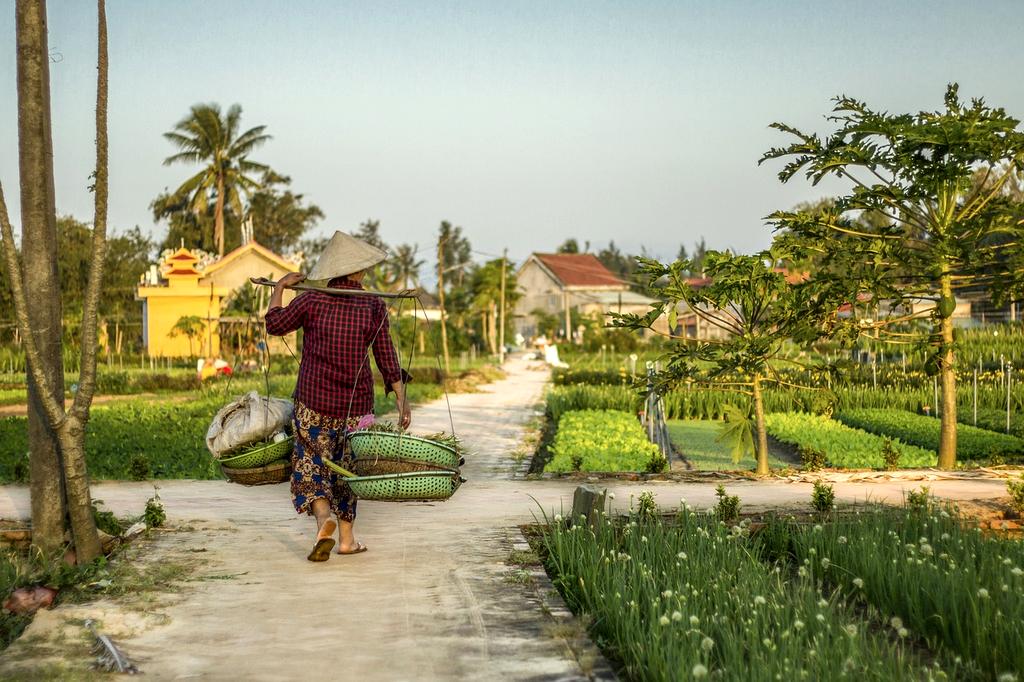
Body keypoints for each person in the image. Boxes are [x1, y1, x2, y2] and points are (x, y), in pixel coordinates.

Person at [264, 231, 411, 562]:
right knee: (348, 469)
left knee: (311, 462)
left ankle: (322, 520)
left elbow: (275, 324)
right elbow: (387, 358)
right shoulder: (373, 305)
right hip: (358, 409)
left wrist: (280, 288)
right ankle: (346, 539)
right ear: (358, 272)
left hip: (313, 403)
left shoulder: (312, 300)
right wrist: (402, 398)